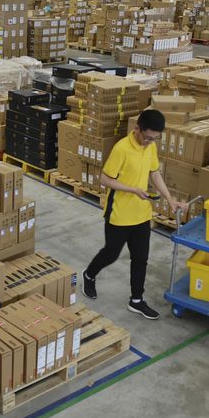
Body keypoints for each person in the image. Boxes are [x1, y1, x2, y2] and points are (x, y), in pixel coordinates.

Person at [82, 109, 188, 319]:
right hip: (119, 214)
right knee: (111, 253)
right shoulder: (121, 149)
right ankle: (89, 274)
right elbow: (105, 179)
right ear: (136, 129)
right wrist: (132, 189)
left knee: (141, 259)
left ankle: (136, 300)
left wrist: (170, 199)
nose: (150, 142)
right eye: (148, 137)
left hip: (141, 213)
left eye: (155, 139)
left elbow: (154, 173)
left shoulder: (150, 147)